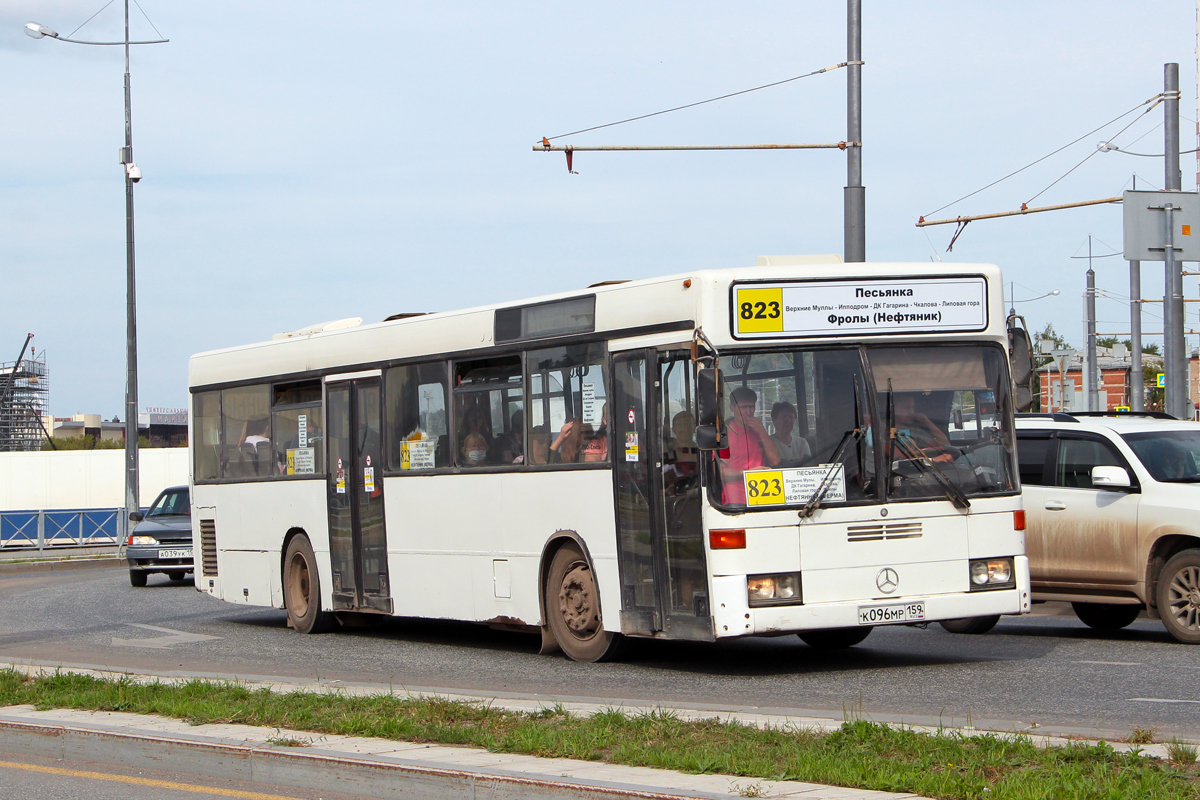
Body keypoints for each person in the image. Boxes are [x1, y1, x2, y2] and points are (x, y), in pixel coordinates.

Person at [718, 387, 780, 505]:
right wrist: (747, 474)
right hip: (736, 499)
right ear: (732, 408)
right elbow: (720, 472)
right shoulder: (726, 435)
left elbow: (775, 460)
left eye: (751, 407)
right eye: (743, 407)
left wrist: (762, 432)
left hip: (764, 497)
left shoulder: (759, 431)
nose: (748, 412)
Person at [893, 393, 954, 464]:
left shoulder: (914, 431)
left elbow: (944, 444)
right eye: (907, 408)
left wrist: (927, 422)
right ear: (894, 409)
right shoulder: (884, 430)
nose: (911, 412)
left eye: (912, 408)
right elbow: (898, 457)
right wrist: (931, 460)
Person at [769, 401, 811, 465]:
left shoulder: (802, 443)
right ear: (774, 420)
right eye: (783, 417)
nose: (788, 421)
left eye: (791, 417)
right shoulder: (767, 443)